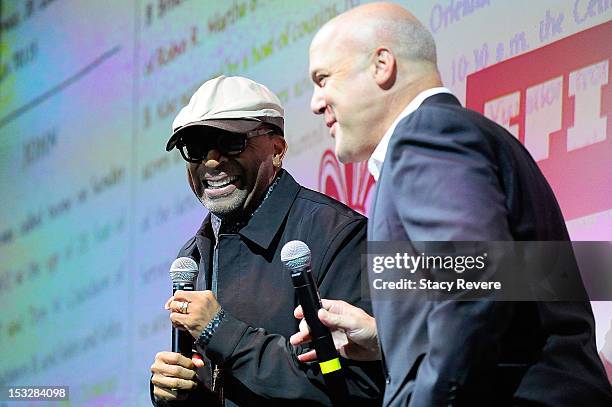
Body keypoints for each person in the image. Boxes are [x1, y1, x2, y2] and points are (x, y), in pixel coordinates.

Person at [291, 2, 612, 406]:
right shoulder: (463, 135)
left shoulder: (428, 134)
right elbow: (503, 289)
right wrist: (385, 338)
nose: (315, 103)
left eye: (323, 79)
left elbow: (475, 289)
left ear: (381, 65)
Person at [149, 75, 383, 406]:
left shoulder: (340, 234)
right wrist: (180, 391)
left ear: (277, 149)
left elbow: (358, 389)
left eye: (231, 143)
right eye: (196, 149)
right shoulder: (194, 255)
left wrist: (222, 330)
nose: (212, 162)